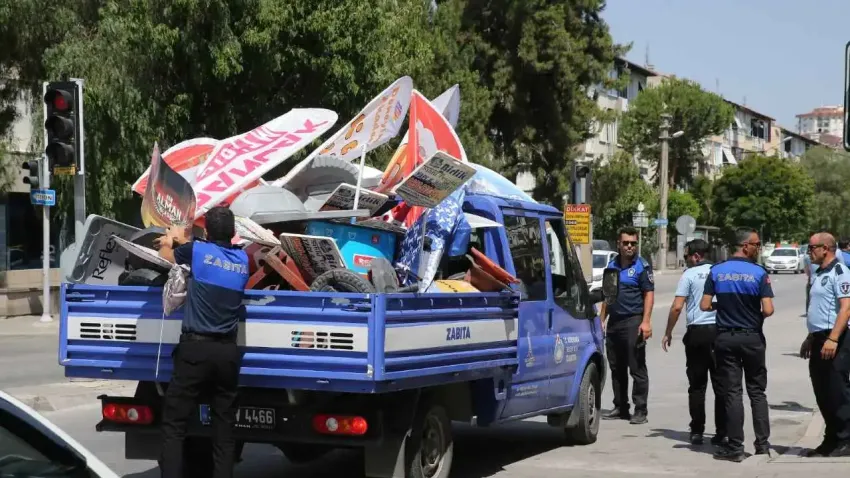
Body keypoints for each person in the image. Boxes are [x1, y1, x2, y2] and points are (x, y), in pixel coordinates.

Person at [155, 207, 250, 478]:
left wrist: (168, 240)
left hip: (195, 351)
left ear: (206, 231)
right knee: (224, 430)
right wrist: (184, 240)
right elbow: (208, 254)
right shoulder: (242, 260)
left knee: (174, 425)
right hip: (227, 355)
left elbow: (168, 257)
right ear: (233, 234)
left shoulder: (196, 252)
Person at [700, 227, 774, 462]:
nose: (758, 248)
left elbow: (703, 305)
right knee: (757, 392)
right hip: (752, 338)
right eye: (756, 244)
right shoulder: (759, 273)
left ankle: (735, 447)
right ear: (745, 245)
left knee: (732, 393)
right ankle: (762, 445)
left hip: (725, 339)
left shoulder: (717, 271)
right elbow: (768, 309)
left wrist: (720, 307)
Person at [661, 239, 726, 446]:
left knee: (697, 386)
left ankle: (697, 431)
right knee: (721, 385)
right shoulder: (719, 272)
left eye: (688, 256)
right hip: (719, 333)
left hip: (697, 335)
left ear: (696, 256)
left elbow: (677, 307)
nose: (687, 260)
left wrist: (668, 332)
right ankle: (722, 432)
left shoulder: (688, 275)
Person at [800, 232, 850, 457]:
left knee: (838, 391)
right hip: (819, 338)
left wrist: (833, 338)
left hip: (836, 339)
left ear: (826, 249)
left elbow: (846, 308)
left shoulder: (840, 272)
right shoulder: (819, 273)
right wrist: (811, 337)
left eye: (812, 248)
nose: (809, 252)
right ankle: (831, 440)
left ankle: (846, 439)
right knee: (822, 391)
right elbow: (818, 308)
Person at [600, 226, 654, 425]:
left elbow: (649, 294)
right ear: (619, 244)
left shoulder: (642, 266)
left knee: (637, 367)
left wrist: (646, 321)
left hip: (634, 321)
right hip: (615, 323)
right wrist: (601, 320)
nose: (630, 246)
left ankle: (640, 410)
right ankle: (621, 406)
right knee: (616, 367)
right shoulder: (612, 266)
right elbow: (608, 294)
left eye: (633, 243)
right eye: (626, 243)